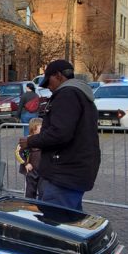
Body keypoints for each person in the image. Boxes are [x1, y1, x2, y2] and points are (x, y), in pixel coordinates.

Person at [19, 60, 99, 211]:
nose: (48, 88)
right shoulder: (80, 94)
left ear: (58, 76)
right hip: (74, 170)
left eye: (49, 82)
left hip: (64, 173)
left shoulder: (67, 95)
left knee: (54, 219)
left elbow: (60, 133)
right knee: (70, 219)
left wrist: (31, 141)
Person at [18, 117, 44, 199]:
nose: (44, 130)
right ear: (34, 129)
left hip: (43, 171)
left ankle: (41, 206)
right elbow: (19, 153)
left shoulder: (44, 140)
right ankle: (29, 205)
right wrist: (26, 163)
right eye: (41, 128)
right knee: (30, 192)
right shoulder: (27, 140)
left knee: (43, 192)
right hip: (31, 171)